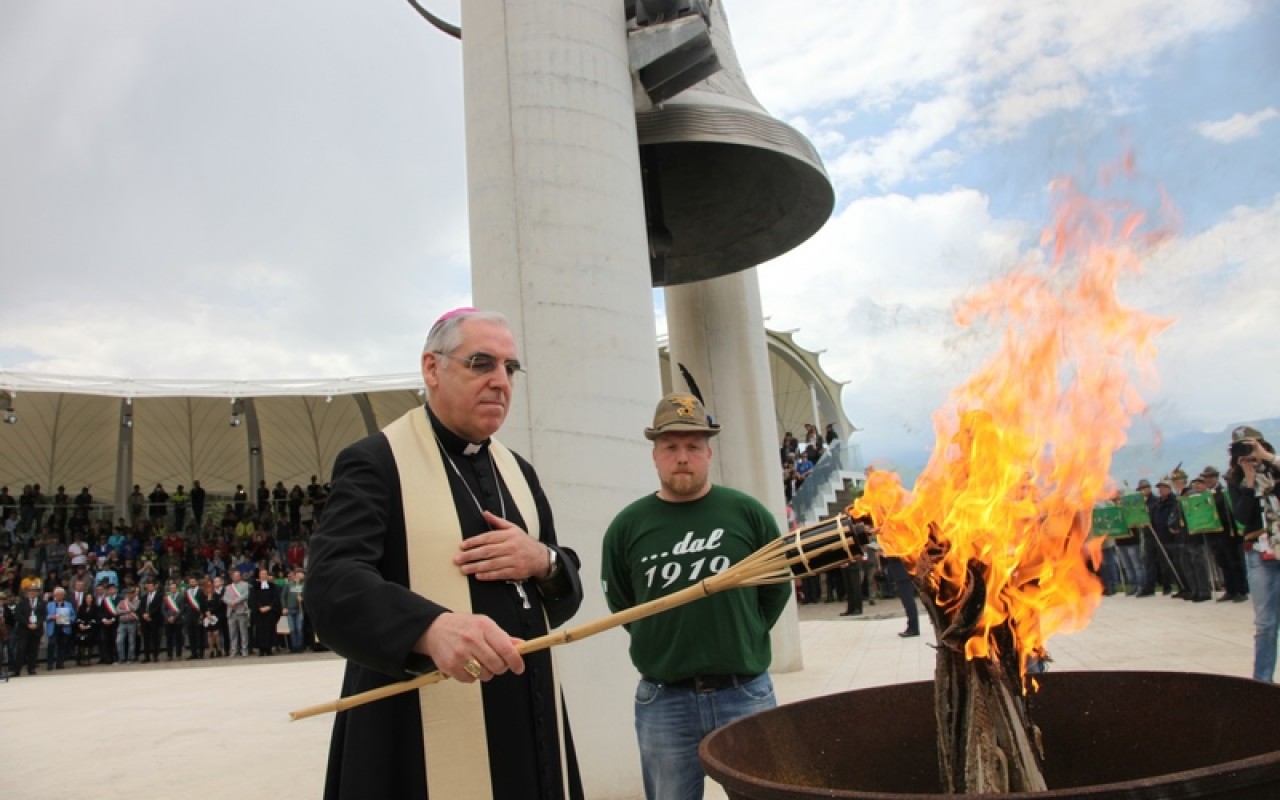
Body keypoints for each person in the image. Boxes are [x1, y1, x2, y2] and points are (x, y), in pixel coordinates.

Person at [307, 308, 585, 800]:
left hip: (528, 718)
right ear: (432, 369)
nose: (501, 381)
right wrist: (429, 628)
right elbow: (332, 583)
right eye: (482, 363)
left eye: (509, 368)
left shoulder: (519, 472)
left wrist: (542, 560)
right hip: (416, 729)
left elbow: (562, 600)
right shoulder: (376, 461)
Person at [602, 393, 791, 800]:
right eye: (671, 447)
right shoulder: (628, 526)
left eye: (692, 446)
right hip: (664, 701)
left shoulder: (747, 514)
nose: (682, 457)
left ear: (708, 452)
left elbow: (776, 587)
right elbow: (622, 602)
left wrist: (746, 631)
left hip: (745, 694)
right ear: (655, 455)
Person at [1226, 426, 1280, 682]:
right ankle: (1262, 682)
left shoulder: (1276, 467)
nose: (1249, 454)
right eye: (1242, 449)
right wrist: (1248, 480)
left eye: (1252, 446)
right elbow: (1241, 516)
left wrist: (1268, 460)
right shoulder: (1235, 480)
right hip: (1259, 553)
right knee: (1265, 623)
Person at [13, 583, 45, 676]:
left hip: (36, 629)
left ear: (38, 593)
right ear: (27, 592)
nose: (32, 593)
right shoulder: (22, 602)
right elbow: (18, 615)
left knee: (34, 650)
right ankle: (17, 670)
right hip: (24, 630)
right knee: (21, 649)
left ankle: (31, 669)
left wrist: (37, 624)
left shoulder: (41, 603)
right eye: (30, 591)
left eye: (34, 591)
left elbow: (43, 615)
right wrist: (28, 624)